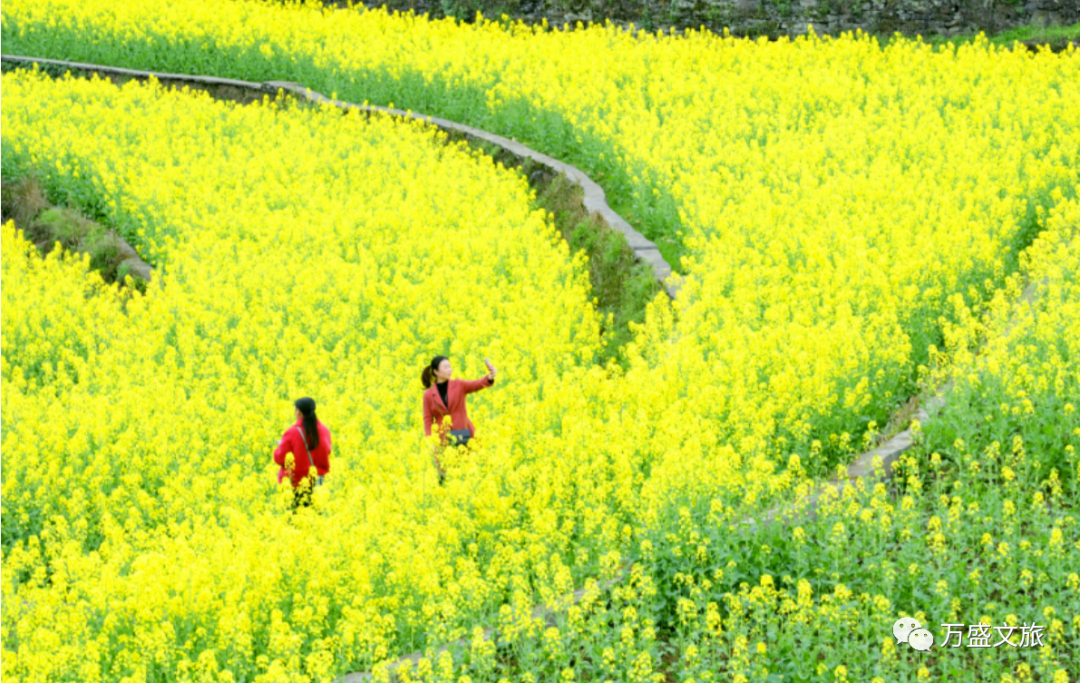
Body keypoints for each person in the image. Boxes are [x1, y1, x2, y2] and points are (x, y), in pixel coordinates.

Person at [422, 356, 496, 484]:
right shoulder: (428, 395)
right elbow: (428, 421)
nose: (449, 369)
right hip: (442, 439)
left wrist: (490, 377)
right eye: (445, 367)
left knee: (468, 473)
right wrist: (430, 442)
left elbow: (476, 384)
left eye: (450, 366)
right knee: (445, 477)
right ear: (436, 372)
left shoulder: (459, 385)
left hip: (463, 435)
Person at [274, 397, 332, 510]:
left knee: (293, 521)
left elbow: (279, 458)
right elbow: (327, 452)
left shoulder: (292, 432)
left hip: (295, 485)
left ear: (298, 411)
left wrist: (280, 447)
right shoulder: (325, 431)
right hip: (318, 484)